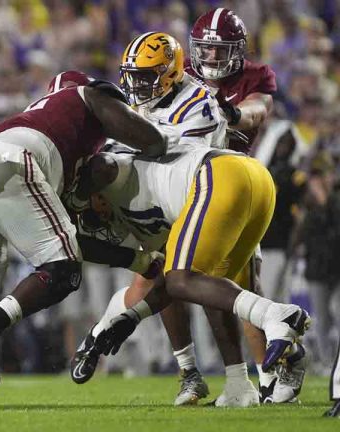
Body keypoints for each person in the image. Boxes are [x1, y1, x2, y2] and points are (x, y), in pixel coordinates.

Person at [0, 69, 170, 408]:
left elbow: (73, 242)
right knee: (64, 271)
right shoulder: (86, 97)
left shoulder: (43, 125)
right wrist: (162, 142)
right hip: (8, 164)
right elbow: (147, 138)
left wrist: (137, 261)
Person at [69, 145, 310, 399]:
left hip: (217, 176)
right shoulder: (132, 184)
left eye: (92, 211)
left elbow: (171, 280)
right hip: (255, 177)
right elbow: (164, 279)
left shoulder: (115, 172)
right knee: (214, 287)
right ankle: (251, 380)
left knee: (183, 278)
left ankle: (277, 316)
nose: (101, 217)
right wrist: (131, 317)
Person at [155, 7, 296, 405]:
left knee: (242, 284)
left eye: (220, 51)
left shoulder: (255, 76)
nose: (212, 59)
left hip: (229, 188)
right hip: (181, 186)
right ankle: (192, 373)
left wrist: (232, 112)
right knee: (167, 274)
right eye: (206, 50)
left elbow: (258, 110)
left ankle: (271, 374)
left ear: (238, 50)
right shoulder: (181, 74)